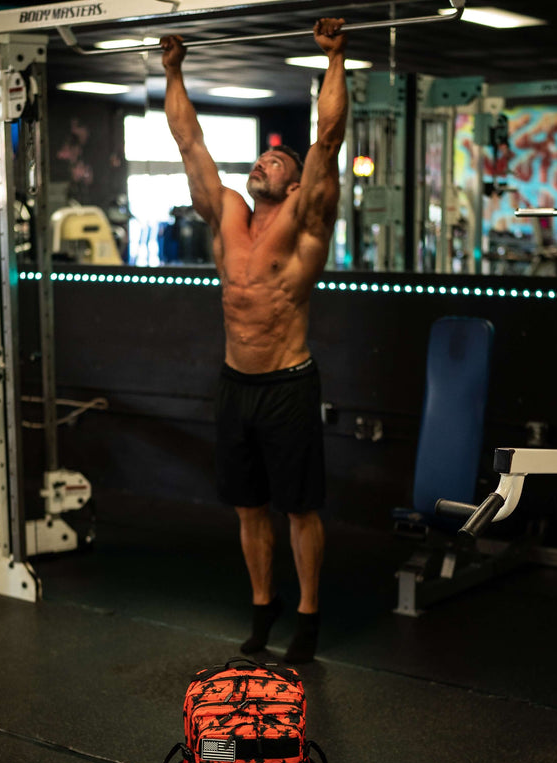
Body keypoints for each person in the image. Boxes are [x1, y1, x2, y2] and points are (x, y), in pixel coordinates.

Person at [160, 18, 348, 663]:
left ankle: (310, 616)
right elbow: (188, 140)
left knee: (299, 510)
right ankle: (263, 606)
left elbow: (329, 138)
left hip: (289, 386)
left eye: (276, 159)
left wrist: (335, 57)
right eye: (262, 157)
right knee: (248, 507)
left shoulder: (305, 222)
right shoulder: (227, 214)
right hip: (236, 384)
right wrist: (173, 71)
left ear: (297, 185)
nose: (262, 161)